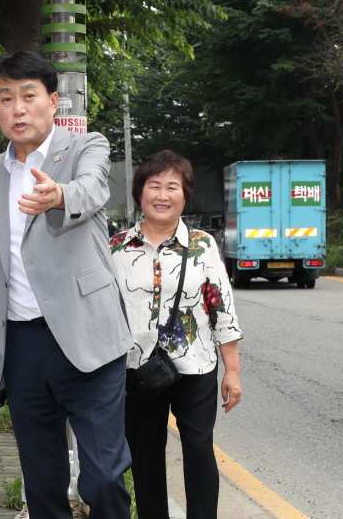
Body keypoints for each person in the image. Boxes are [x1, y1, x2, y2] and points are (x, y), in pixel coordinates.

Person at [0, 50, 134, 519]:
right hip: (21, 347)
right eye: (5, 98)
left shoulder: (85, 147)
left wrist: (59, 195)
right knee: (42, 481)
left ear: (53, 101)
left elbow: (95, 188)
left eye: (29, 96)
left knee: (102, 475)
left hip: (88, 338)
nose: (17, 109)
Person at [109, 149, 243, 519]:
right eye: (154, 186)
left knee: (199, 448)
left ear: (185, 195)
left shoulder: (203, 244)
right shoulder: (116, 246)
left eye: (173, 187)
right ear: (140, 193)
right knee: (145, 456)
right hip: (137, 370)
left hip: (196, 366)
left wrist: (231, 371)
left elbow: (221, 308)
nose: (162, 195)